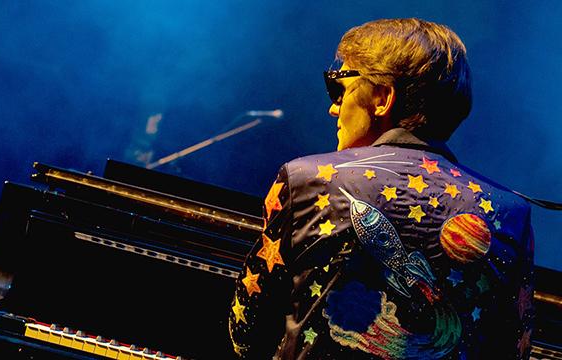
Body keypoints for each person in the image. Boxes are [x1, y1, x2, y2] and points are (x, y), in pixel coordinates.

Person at [228, 18, 534, 359]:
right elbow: (513, 351)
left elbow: (247, 331)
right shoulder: (512, 215)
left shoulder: (303, 179)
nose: (333, 107)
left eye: (339, 87)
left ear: (382, 98)